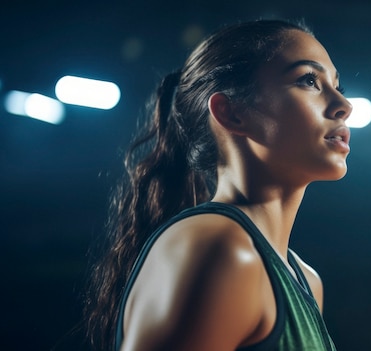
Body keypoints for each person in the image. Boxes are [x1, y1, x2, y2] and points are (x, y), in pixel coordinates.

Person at [84, 19, 352, 351]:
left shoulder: (307, 281)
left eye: (338, 85)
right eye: (308, 80)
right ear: (231, 113)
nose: (344, 105)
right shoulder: (221, 249)